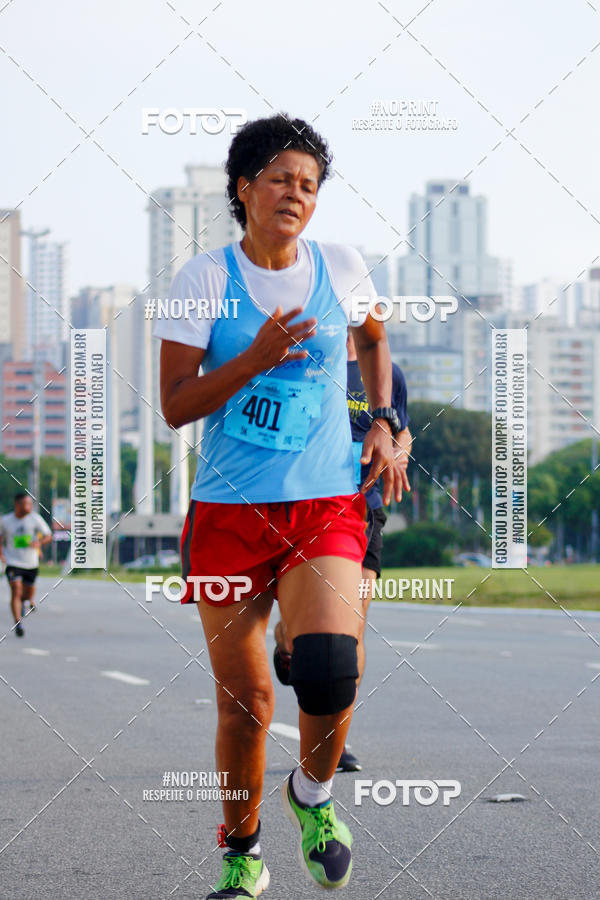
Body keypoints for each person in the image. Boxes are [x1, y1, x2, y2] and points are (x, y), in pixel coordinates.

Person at [154, 113, 402, 900]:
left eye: (309, 184)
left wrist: (385, 421)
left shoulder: (340, 265)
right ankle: (242, 852)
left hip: (324, 501)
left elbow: (372, 340)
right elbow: (175, 404)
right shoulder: (204, 280)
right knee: (248, 703)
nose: (297, 193)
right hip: (228, 513)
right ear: (244, 189)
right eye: (281, 179)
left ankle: (315, 797)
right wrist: (255, 357)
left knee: (330, 668)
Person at [272, 329, 412, 772]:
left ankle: (336, 739)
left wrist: (396, 453)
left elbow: (402, 433)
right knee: (304, 634)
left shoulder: (387, 374)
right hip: (306, 506)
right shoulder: (305, 363)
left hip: (363, 510)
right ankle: (287, 637)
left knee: (351, 631)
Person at [0, 492, 52, 637]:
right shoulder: (6, 520)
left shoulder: (35, 519)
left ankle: (27, 601)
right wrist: (1, 554)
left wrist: (39, 543)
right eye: (25, 504)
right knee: (16, 590)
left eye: (30, 504)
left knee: (27, 595)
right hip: (13, 561)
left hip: (31, 563)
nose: (29, 507)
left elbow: (48, 535)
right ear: (17, 504)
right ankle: (18, 622)